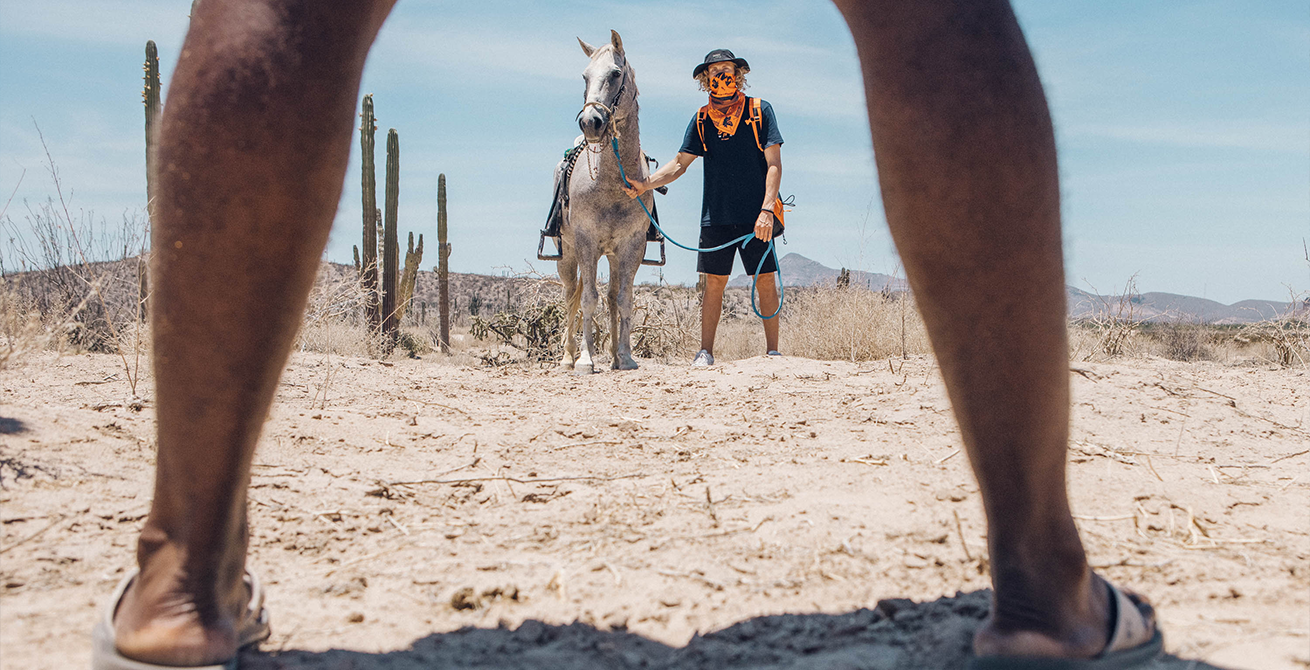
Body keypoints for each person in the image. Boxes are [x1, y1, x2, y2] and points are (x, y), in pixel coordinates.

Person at [96, 1, 1163, 668]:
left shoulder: (730, 112)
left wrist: (706, 187)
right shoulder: (676, 117)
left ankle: (182, 574)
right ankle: (1040, 579)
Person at [622, 49, 785, 367]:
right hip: (716, 216)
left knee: (764, 279)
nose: (721, 76)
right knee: (713, 281)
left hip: (757, 216)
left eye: (727, 70)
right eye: (714, 72)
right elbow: (679, 164)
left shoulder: (759, 111)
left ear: (739, 75)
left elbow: (774, 164)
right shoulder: (701, 119)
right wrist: (646, 184)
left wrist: (767, 209)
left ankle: (773, 353)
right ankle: (705, 352)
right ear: (705, 79)